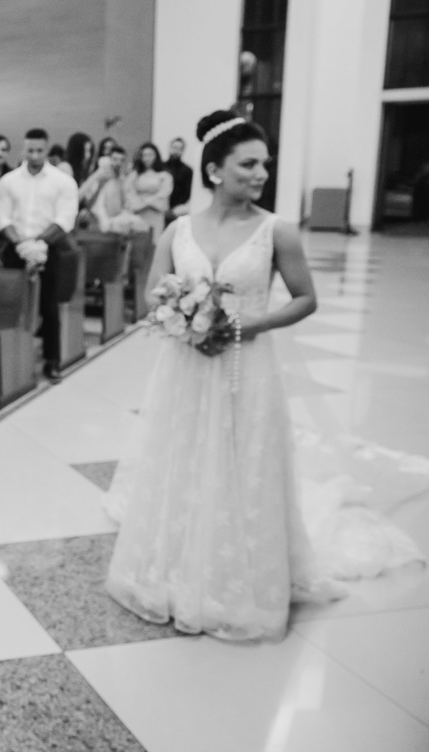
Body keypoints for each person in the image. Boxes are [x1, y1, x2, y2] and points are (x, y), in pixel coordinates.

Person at [102, 109, 422, 642]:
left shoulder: (279, 230)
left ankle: (236, 572)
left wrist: (251, 323)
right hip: (185, 367)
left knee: (241, 456)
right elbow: (151, 295)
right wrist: (180, 315)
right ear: (214, 170)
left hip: (246, 366)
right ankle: (177, 561)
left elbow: (305, 299)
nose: (259, 174)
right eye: (248, 164)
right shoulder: (178, 231)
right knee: (184, 455)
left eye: (264, 165)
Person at [0, 127, 80, 382]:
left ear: (47, 149)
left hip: (50, 248)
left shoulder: (62, 181)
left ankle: (52, 362)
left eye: (39, 150)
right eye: (30, 150)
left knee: (49, 307)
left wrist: (39, 244)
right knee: (13, 306)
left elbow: (66, 218)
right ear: (24, 148)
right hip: (15, 247)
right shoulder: (8, 181)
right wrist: (21, 243)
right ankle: (12, 362)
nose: (34, 155)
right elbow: (2, 217)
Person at [124, 141, 173, 236]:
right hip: (138, 213)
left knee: (154, 241)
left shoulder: (165, 176)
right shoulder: (134, 175)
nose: (147, 158)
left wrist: (146, 202)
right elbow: (129, 191)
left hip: (155, 212)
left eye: (150, 155)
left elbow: (164, 194)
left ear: (156, 156)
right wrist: (138, 204)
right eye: (144, 155)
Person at [164, 136, 194, 226]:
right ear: (169, 148)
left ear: (182, 151)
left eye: (179, 148)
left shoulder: (187, 170)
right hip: (160, 208)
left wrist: (174, 209)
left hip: (176, 211)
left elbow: (187, 193)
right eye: (174, 147)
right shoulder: (162, 167)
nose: (176, 151)